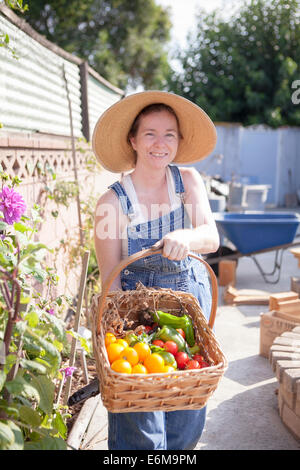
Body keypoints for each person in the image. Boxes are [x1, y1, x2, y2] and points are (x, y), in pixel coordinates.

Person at [92, 91, 220, 450]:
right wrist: (113, 336)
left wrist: (185, 237)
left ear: (179, 141)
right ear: (132, 140)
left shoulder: (189, 182)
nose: (160, 143)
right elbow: (112, 279)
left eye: (169, 134)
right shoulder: (112, 203)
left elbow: (211, 237)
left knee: (186, 418)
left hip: (189, 313)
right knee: (141, 426)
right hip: (138, 318)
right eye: (150, 133)